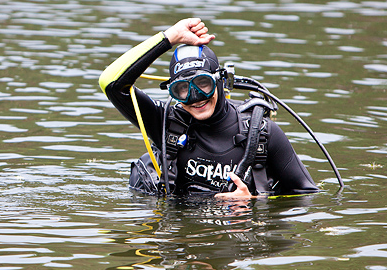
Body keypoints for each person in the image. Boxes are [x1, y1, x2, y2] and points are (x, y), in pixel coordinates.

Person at [98, 18, 319, 199]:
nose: (195, 98)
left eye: (203, 84)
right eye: (182, 89)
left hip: (238, 242)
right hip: (182, 243)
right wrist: (170, 37)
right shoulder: (166, 124)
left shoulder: (262, 133)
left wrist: (252, 201)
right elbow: (110, 82)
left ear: (220, 81)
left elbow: (308, 195)